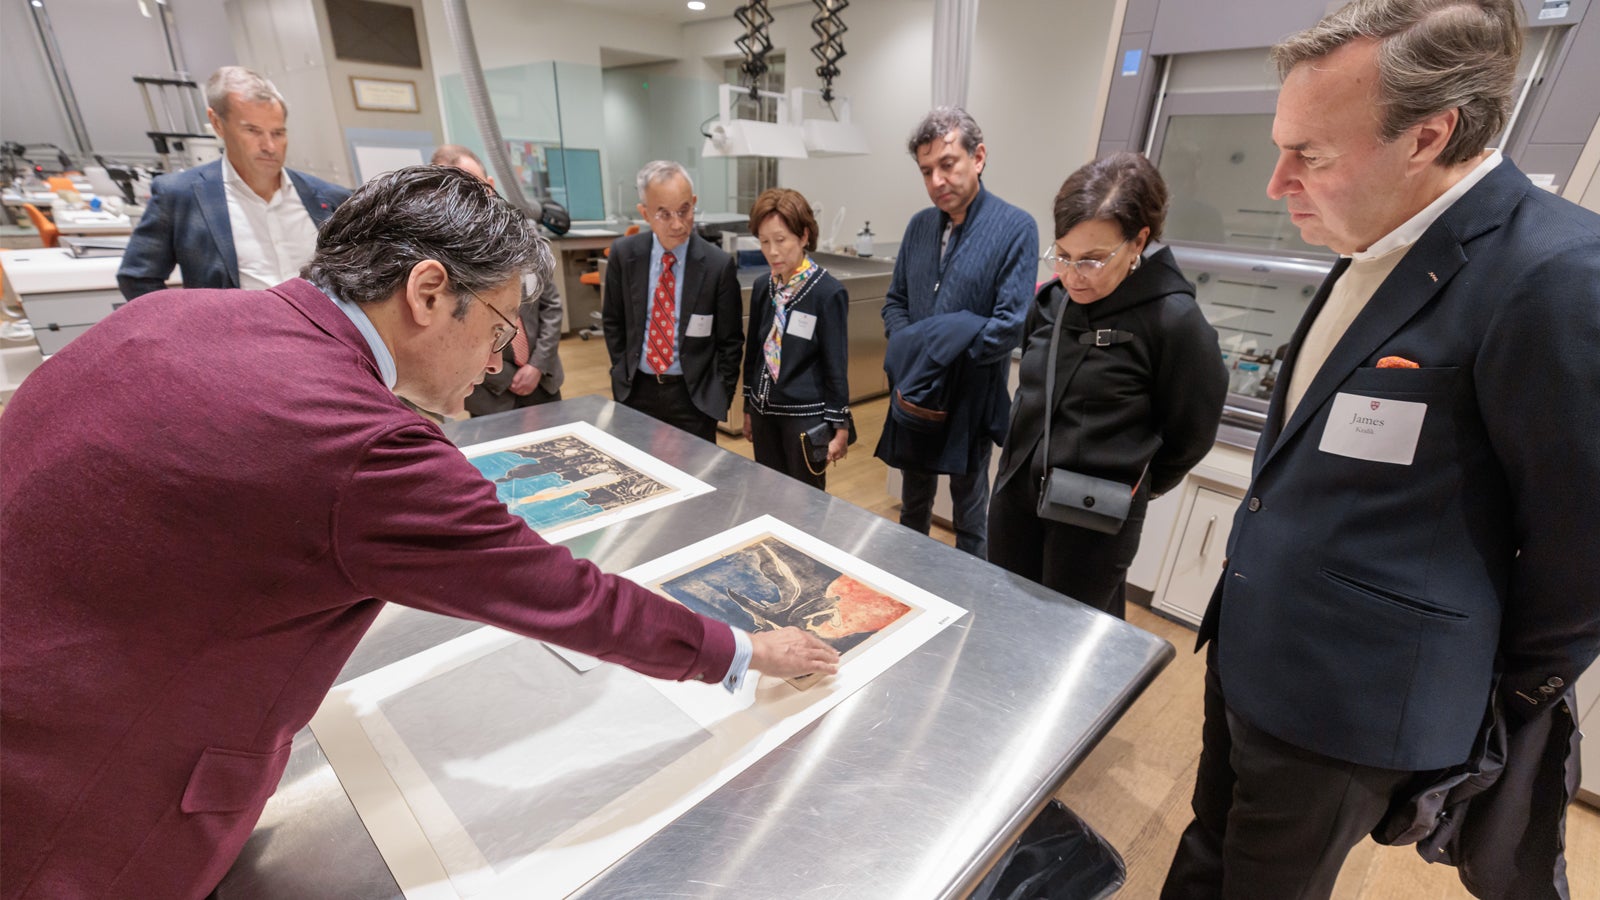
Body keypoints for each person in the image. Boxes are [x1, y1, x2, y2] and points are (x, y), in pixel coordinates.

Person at [0, 166, 839, 900]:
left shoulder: (169, 318)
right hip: (89, 827)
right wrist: (743, 651)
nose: (498, 357)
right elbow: (567, 596)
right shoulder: (365, 444)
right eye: (501, 325)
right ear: (429, 292)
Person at [1161, 1, 1600, 897]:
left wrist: (1495, 692)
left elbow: (1584, 545)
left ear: (1427, 136)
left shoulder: (1556, 276)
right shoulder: (1373, 236)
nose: (1279, 182)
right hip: (1253, 640)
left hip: (1351, 698)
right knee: (1211, 846)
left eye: (1310, 155)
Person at [988, 153, 1227, 619]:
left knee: (1069, 636)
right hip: (1017, 497)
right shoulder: (1053, 302)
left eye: (1094, 260)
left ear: (1139, 241)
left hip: (1095, 515)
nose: (1074, 275)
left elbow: (1190, 431)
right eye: (1064, 255)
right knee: (1005, 619)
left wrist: (1135, 481)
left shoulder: (1175, 322)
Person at [877, 107, 1037, 557]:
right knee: (913, 505)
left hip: (971, 394)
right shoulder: (919, 226)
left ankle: (970, 608)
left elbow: (1010, 324)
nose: (937, 181)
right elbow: (895, 303)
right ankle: (908, 585)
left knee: (971, 513)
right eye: (927, 171)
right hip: (915, 393)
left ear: (978, 157)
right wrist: (915, 352)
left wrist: (937, 356)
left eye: (947, 165)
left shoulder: (1015, 227)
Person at [117, 66, 350, 300]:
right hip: (235, 333)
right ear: (217, 124)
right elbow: (137, 279)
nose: (269, 146)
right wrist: (183, 328)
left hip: (321, 334)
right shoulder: (179, 195)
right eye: (252, 131)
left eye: (278, 133)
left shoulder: (330, 198)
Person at [602, 160, 742, 442]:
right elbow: (613, 322)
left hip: (692, 398)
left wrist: (718, 397)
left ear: (694, 203)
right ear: (645, 213)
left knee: (697, 477)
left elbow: (730, 342)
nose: (678, 223)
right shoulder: (624, 254)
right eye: (664, 214)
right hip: (637, 390)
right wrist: (621, 372)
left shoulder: (717, 265)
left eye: (684, 210)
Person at [431, 144, 566, 414]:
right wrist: (502, 376)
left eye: (475, 188)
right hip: (490, 392)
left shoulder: (525, 238)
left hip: (544, 380)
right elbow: (448, 336)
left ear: (490, 186)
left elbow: (551, 305)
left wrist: (537, 365)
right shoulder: (437, 260)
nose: (469, 202)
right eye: (456, 193)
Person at [740, 188, 850, 488]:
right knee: (767, 495)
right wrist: (748, 407)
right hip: (764, 414)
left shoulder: (827, 293)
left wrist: (840, 426)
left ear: (803, 236)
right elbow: (754, 352)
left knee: (806, 503)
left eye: (781, 240)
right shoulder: (765, 287)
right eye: (764, 242)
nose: (772, 251)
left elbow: (835, 365)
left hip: (804, 419)